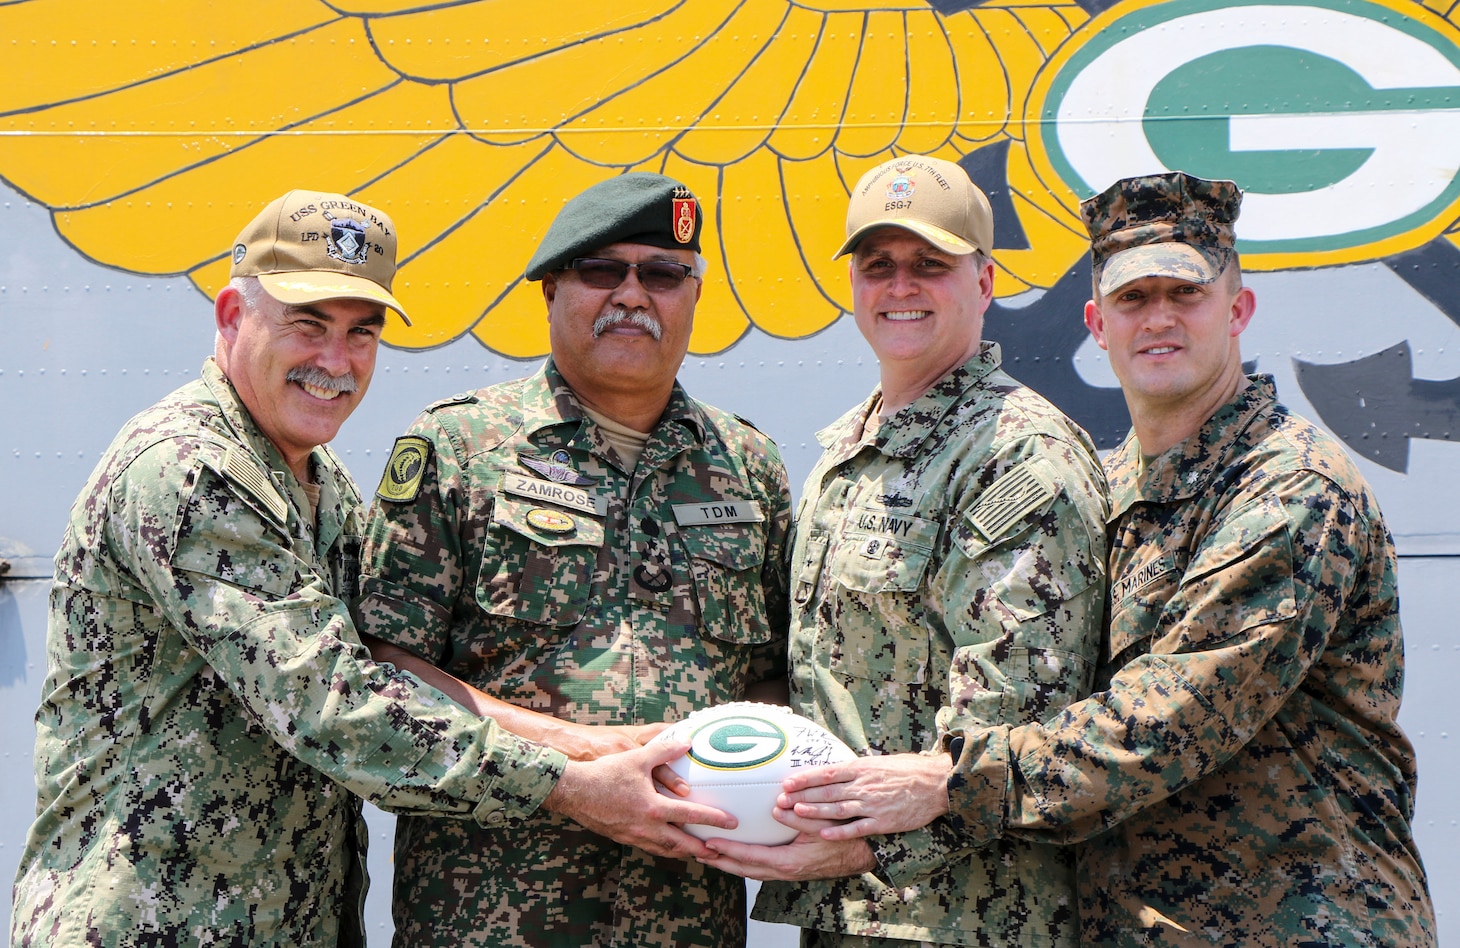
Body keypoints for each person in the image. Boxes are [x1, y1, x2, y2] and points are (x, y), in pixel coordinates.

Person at [727, 171, 1439, 946]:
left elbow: (1171, 719)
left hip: (1304, 922)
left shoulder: (1290, 487)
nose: (1157, 319)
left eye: (1185, 295)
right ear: (1097, 324)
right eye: (1134, 299)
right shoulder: (1120, 478)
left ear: (1238, 311)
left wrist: (947, 782)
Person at [11, 189, 734, 948]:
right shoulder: (190, 470)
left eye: (362, 332)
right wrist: (574, 783)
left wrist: (597, 752)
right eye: (307, 324)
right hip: (152, 923)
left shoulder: (316, 480)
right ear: (231, 316)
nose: (335, 360)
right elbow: (334, 707)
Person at [352, 172, 793, 947]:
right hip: (486, 915)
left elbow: (773, 677)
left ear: (692, 297)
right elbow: (388, 666)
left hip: (687, 917)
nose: (632, 295)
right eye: (601, 270)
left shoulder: (749, 467)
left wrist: (720, 770)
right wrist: (580, 765)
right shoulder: (461, 447)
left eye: (662, 274)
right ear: (551, 290)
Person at [702, 155, 1110, 946]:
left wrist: (856, 843)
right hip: (858, 907)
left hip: (969, 914)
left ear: (985, 283)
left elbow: (1017, 716)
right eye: (877, 264)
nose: (900, 286)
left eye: (931, 265)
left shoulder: (1016, 454)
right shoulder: (851, 451)